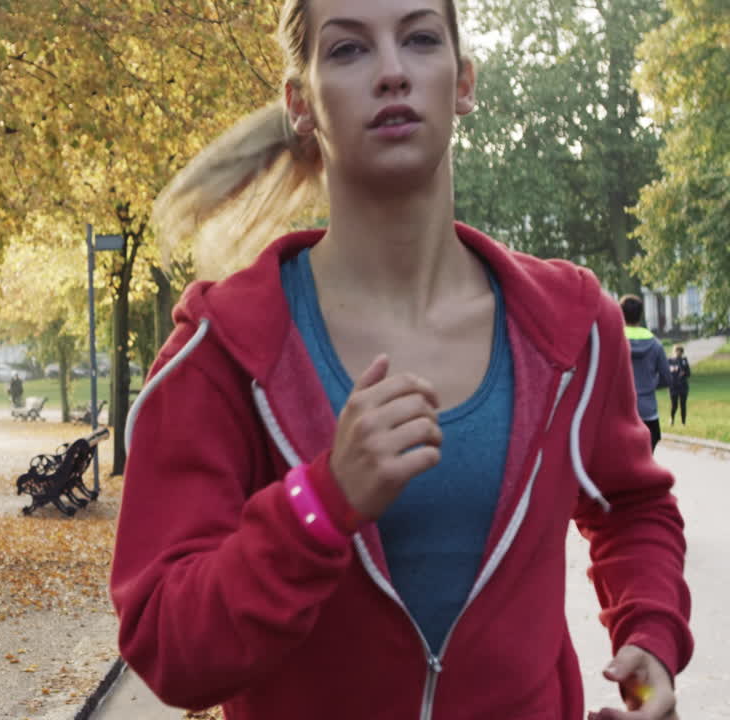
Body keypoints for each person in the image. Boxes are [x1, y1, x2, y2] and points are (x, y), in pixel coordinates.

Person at [110, 1, 692, 719]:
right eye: (349, 50)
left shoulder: (572, 326)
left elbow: (633, 508)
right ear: (301, 104)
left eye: (419, 39)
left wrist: (650, 650)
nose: (392, 72)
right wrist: (320, 503)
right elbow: (169, 648)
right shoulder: (222, 351)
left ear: (464, 82)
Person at [620, 295, 672, 450]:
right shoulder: (655, 344)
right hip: (648, 411)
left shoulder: (615, 341)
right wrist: (649, 385)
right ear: (641, 315)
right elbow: (667, 378)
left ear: (621, 314)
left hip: (621, 411)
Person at [669, 345, 691, 426]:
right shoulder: (669, 361)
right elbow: (667, 373)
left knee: (683, 405)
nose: (678, 353)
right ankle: (672, 419)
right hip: (673, 386)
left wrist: (684, 373)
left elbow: (689, 373)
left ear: (682, 352)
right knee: (674, 405)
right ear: (674, 352)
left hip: (683, 386)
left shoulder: (684, 361)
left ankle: (683, 422)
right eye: (677, 351)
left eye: (680, 351)